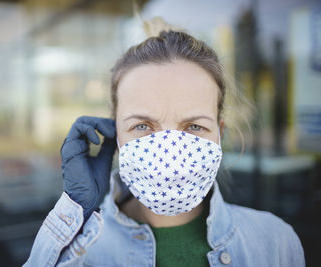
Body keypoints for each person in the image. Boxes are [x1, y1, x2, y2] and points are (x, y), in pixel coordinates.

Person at [24, 18, 305, 267]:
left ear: (220, 134)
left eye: (194, 126)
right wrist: (75, 213)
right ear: (115, 135)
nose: (170, 151)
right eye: (143, 126)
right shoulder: (77, 251)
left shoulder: (275, 242)